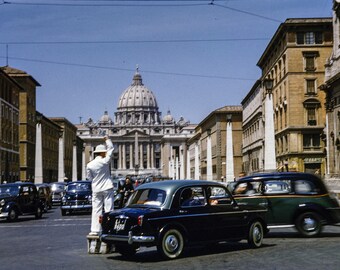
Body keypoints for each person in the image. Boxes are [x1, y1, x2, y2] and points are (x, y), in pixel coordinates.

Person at [86, 136, 115, 236]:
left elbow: (89, 178)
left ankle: (95, 230)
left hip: (96, 189)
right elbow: (111, 148)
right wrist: (107, 139)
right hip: (107, 187)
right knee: (109, 209)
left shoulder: (89, 165)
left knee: (96, 209)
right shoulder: (105, 161)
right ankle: (108, 229)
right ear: (102, 153)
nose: (106, 153)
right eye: (105, 152)